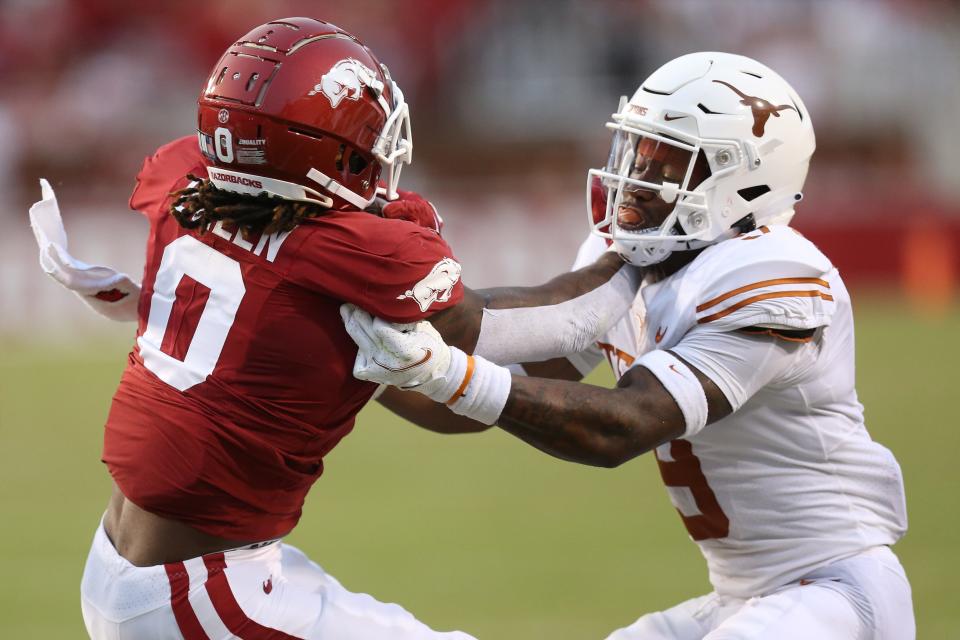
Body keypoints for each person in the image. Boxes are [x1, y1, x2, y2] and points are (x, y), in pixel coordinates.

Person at [30, 17, 643, 640]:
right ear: (322, 150)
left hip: (133, 561)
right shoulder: (349, 257)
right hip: (199, 595)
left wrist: (477, 380)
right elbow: (562, 319)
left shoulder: (186, 189)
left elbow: (446, 405)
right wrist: (641, 246)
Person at [341, 52, 915, 640]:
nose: (636, 178)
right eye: (638, 151)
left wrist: (448, 372)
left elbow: (623, 425)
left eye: (667, 163)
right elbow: (506, 370)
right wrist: (363, 355)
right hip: (745, 597)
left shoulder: (770, 274)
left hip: (834, 592)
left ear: (745, 180)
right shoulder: (644, 257)